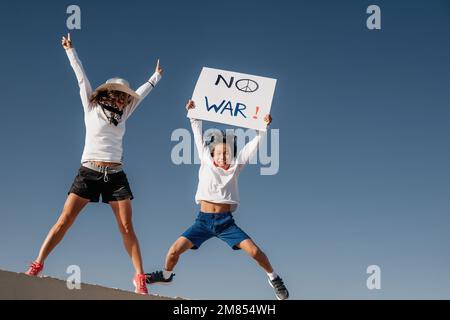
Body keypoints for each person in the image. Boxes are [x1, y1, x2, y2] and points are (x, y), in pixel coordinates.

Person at [25, 33, 163, 295]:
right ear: (108, 93)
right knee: (65, 219)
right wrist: (70, 50)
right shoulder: (90, 105)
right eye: (119, 95)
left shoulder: (125, 112)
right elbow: (81, 77)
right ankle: (37, 263)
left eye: (125, 97)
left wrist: (155, 77)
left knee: (126, 227)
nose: (122, 100)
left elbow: (142, 95)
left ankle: (139, 278)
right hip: (89, 171)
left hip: (116, 174)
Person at [146, 100, 289, 300]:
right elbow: (197, 134)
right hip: (203, 221)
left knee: (255, 252)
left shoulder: (236, 166)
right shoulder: (206, 160)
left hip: (225, 223)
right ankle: (166, 275)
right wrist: (193, 114)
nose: (223, 156)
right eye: (220, 152)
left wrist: (264, 127)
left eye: (227, 153)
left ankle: (274, 278)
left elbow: (252, 146)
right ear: (213, 153)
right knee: (173, 252)